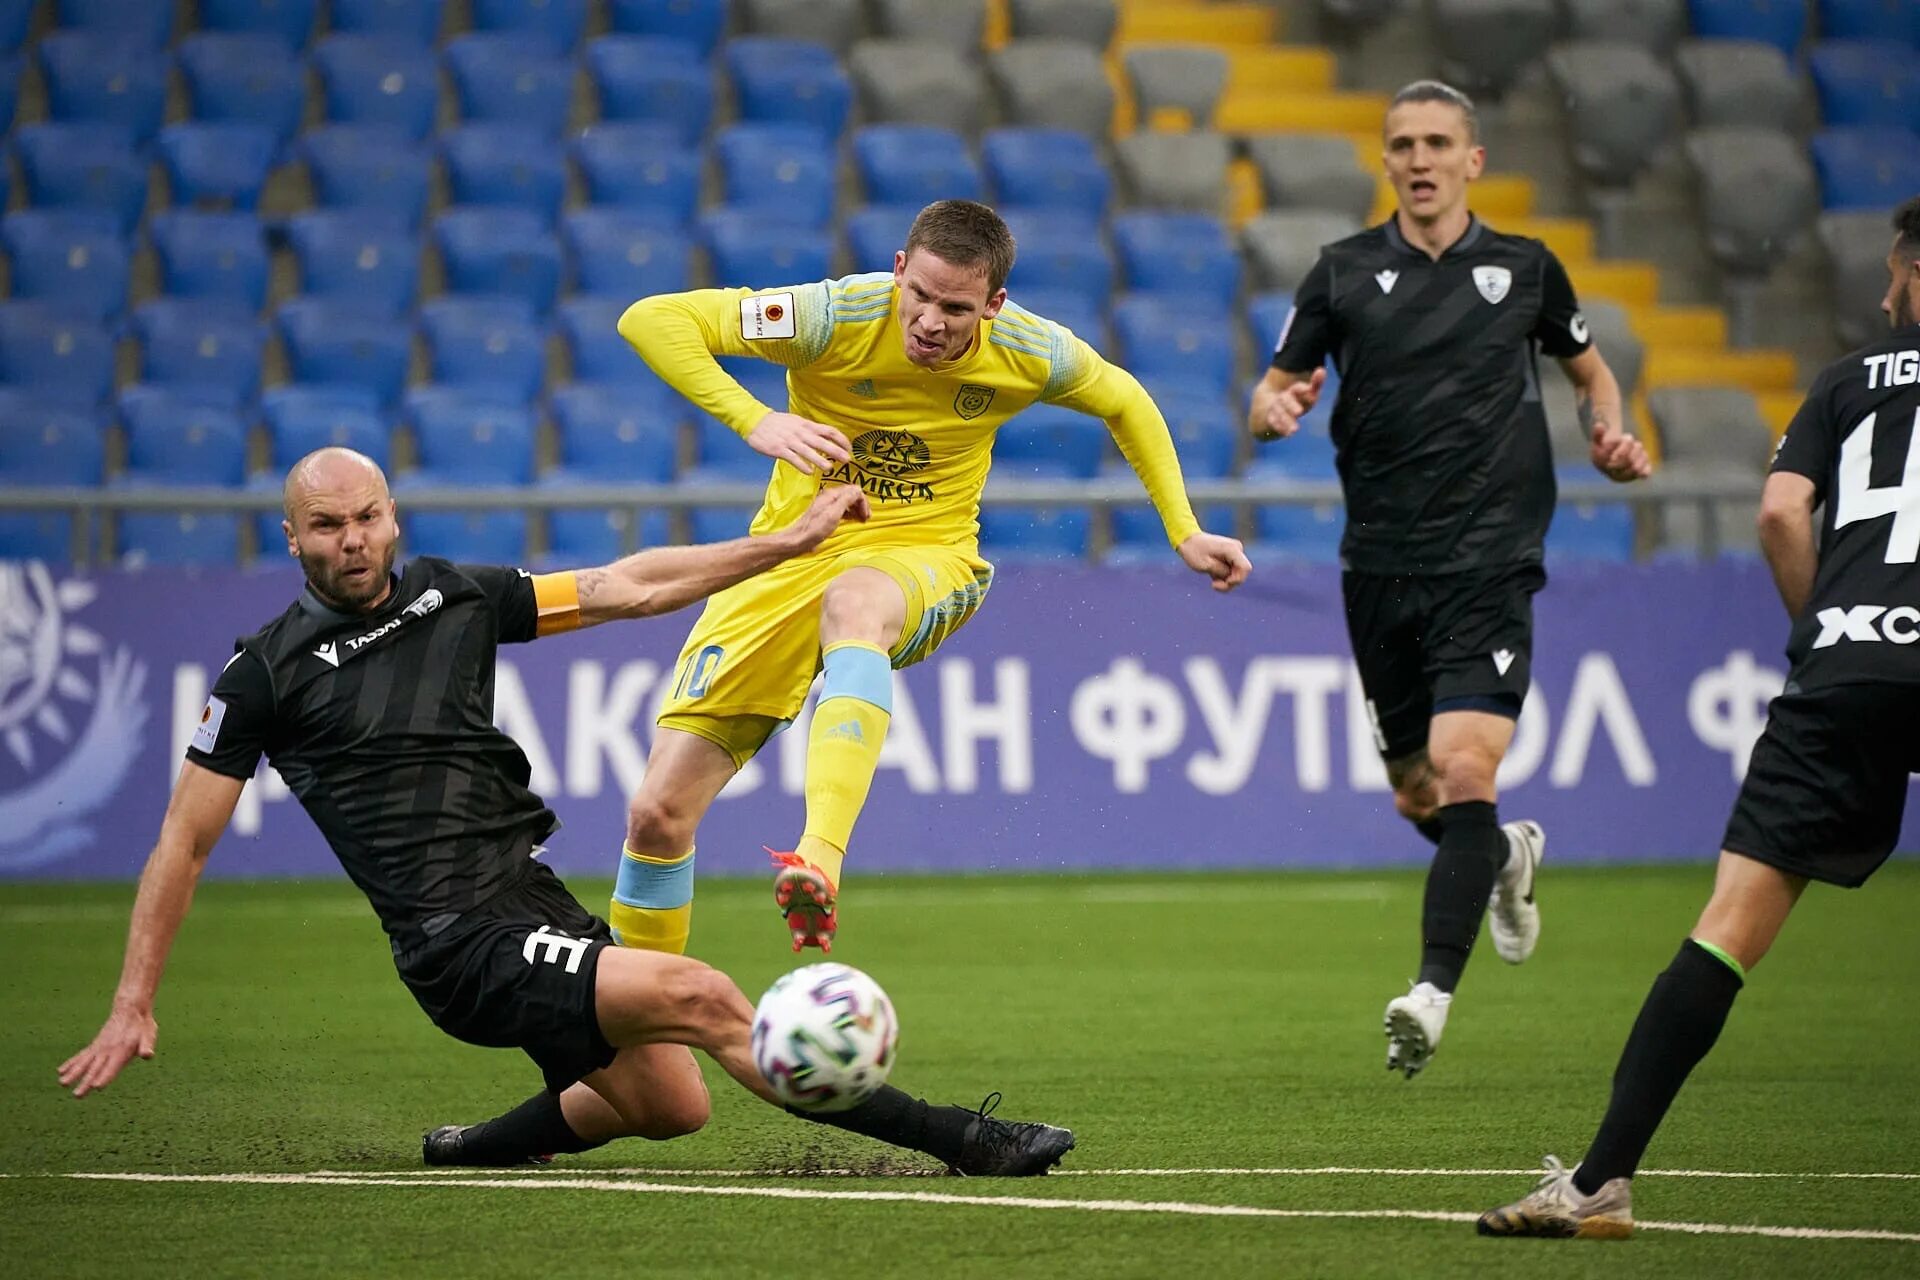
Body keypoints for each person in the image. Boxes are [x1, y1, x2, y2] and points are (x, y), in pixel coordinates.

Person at [58, 448, 1076, 1177]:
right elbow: (181, 842)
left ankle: (478, 1143)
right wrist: (133, 999)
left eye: (367, 515)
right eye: (327, 525)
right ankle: (962, 1139)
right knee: (706, 992)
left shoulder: (451, 596)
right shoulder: (260, 675)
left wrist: (786, 544)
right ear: (292, 538)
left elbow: (626, 585)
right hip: (456, 941)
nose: (353, 539)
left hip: (530, 900)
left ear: (393, 517)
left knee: (670, 1105)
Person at [606, 198, 1250, 958]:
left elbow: (1125, 400)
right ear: (899, 271)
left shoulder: (1029, 349)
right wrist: (756, 420)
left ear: (993, 304)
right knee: (657, 813)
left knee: (855, 604)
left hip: (926, 554)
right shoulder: (830, 317)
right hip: (786, 555)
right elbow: (650, 319)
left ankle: (819, 857)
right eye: (920, 297)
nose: (932, 322)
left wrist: (1183, 529)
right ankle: (632, 1034)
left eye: (957, 308)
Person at [1478, 196, 1920, 1239]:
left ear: (1910, 273)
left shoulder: (1850, 382)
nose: (1888, 290)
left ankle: (1597, 1183)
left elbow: (1778, 511)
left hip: (1845, 668)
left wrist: (1834, 629)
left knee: (1724, 935)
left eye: (1897, 272)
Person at [1247, 80, 1652, 1079]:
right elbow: (1268, 389)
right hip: (1380, 563)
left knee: (1468, 767)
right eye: (1402, 144)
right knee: (1418, 794)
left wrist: (1608, 424)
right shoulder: (1341, 275)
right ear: (1384, 162)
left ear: (1473, 160)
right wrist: (1274, 411)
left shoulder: (1525, 268)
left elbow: (1587, 365)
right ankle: (1504, 856)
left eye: (1438, 142)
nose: (1419, 159)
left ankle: (1429, 991)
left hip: (1489, 559)